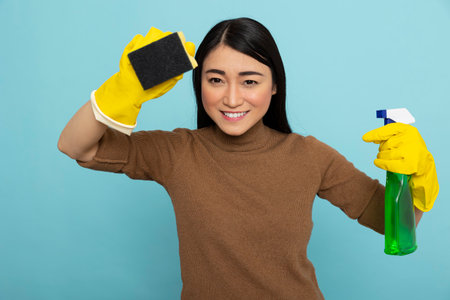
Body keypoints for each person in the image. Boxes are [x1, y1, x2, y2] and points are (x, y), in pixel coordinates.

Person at [58, 17, 438, 299]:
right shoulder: (175, 152)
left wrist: (415, 182)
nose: (232, 98)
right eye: (216, 79)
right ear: (199, 84)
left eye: (250, 81)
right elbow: (78, 147)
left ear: (274, 87)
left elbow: (395, 227)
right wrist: (125, 90)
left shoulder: (310, 156)